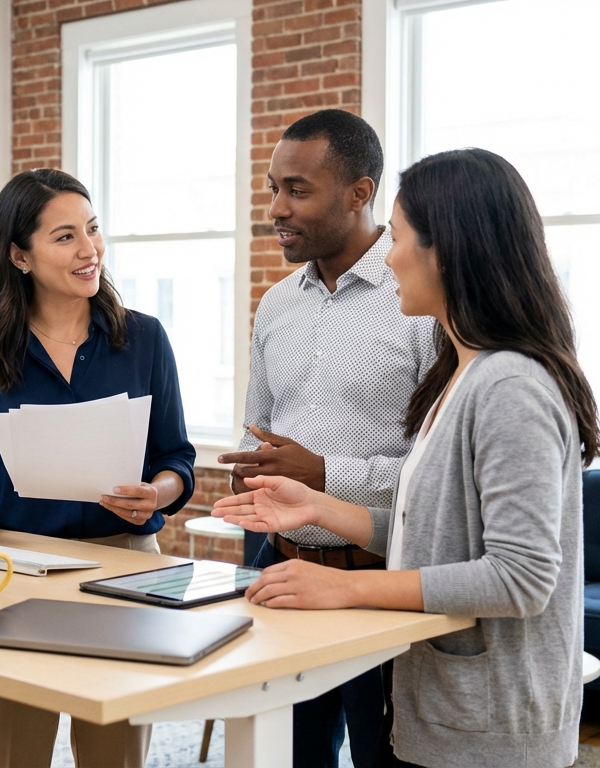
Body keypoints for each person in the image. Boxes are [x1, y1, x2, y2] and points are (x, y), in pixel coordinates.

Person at [214, 148, 600, 768]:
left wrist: (347, 588)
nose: (388, 256)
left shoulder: (511, 387)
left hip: (489, 724)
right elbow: (435, 534)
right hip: (443, 708)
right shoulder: (464, 374)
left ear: (447, 249)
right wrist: (319, 507)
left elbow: (522, 579)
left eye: (398, 237)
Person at [0, 168, 196, 768]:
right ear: (20, 255)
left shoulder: (144, 339)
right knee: (12, 751)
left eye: (92, 229)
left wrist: (157, 495)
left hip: (127, 568)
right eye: (65, 237)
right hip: (17, 569)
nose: (89, 250)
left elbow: (176, 459)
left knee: (116, 755)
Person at [214, 109, 434, 767]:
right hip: (279, 570)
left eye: (298, 190)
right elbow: (262, 432)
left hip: (380, 580)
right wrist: (251, 474)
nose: (277, 208)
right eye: (274, 187)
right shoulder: (277, 303)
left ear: (360, 193)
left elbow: (436, 474)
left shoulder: (421, 301)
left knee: (383, 757)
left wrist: (321, 472)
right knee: (279, 754)